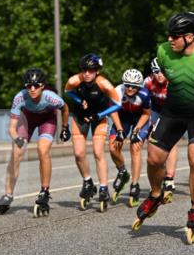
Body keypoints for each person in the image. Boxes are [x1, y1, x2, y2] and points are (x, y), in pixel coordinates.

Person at [133, 11, 194, 244]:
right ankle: (156, 195)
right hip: (173, 110)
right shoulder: (163, 52)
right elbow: (169, 76)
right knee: (154, 158)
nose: (170, 40)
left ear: (189, 37)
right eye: (168, 35)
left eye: (175, 36)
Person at [0, 68, 69, 217]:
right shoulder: (20, 98)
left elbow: (65, 108)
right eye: (29, 86)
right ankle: (8, 196)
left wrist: (65, 128)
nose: (33, 89)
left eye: (36, 85)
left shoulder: (51, 97)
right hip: (27, 119)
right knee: (16, 154)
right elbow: (11, 128)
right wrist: (17, 139)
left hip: (47, 120)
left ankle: (44, 191)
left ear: (43, 86)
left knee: (42, 150)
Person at [65, 53, 121, 212]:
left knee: (98, 152)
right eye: (84, 70)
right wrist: (78, 100)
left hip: (99, 117)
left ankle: (103, 188)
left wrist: (100, 115)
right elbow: (67, 91)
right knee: (78, 153)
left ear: (97, 71)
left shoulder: (104, 84)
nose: (87, 73)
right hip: (80, 117)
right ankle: (88, 181)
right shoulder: (74, 80)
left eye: (91, 70)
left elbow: (117, 104)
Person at [109, 69, 151, 207]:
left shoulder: (144, 94)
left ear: (139, 86)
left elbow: (146, 114)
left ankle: (135, 184)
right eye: (127, 85)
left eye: (134, 86)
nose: (130, 89)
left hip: (140, 119)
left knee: (135, 147)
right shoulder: (117, 91)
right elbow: (113, 111)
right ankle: (122, 171)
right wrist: (120, 130)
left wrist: (136, 131)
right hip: (123, 118)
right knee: (113, 147)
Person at [144, 58, 178, 202]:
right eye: (156, 72)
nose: (159, 75)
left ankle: (169, 177)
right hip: (156, 110)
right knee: (153, 141)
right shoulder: (148, 82)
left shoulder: (174, 81)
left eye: (162, 72)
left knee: (172, 142)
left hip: (173, 110)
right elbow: (143, 102)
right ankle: (159, 174)